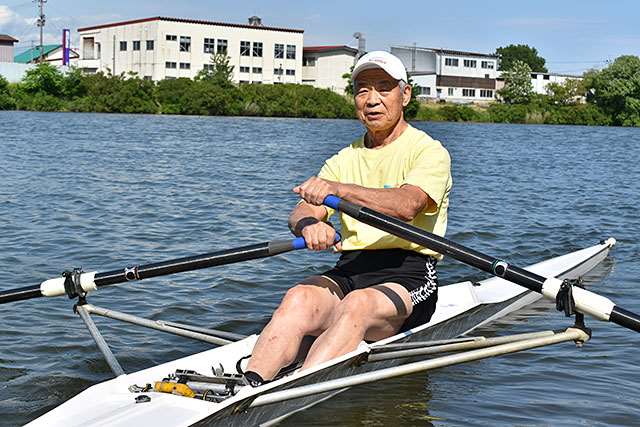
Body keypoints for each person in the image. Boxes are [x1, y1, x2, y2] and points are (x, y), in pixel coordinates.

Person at [243, 51, 452, 387]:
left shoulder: (428, 151)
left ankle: (296, 389)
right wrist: (310, 225)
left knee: (357, 304)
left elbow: (407, 205)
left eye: (384, 88)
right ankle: (249, 385)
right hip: (350, 267)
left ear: (406, 94)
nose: (372, 100)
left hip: (410, 274)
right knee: (299, 296)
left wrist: (338, 191)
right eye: (362, 90)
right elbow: (304, 209)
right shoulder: (342, 159)